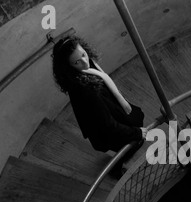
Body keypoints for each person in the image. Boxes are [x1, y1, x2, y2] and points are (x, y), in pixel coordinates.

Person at [52, 35, 147, 179]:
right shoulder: (86, 90)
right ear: (69, 67)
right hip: (108, 127)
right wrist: (137, 133)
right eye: (77, 62)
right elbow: (108, 125)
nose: (85, 62)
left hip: (113, 111)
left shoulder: (85, 69)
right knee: (136, 142)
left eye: (84, 54)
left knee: (136, 130)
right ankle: (115, 168)